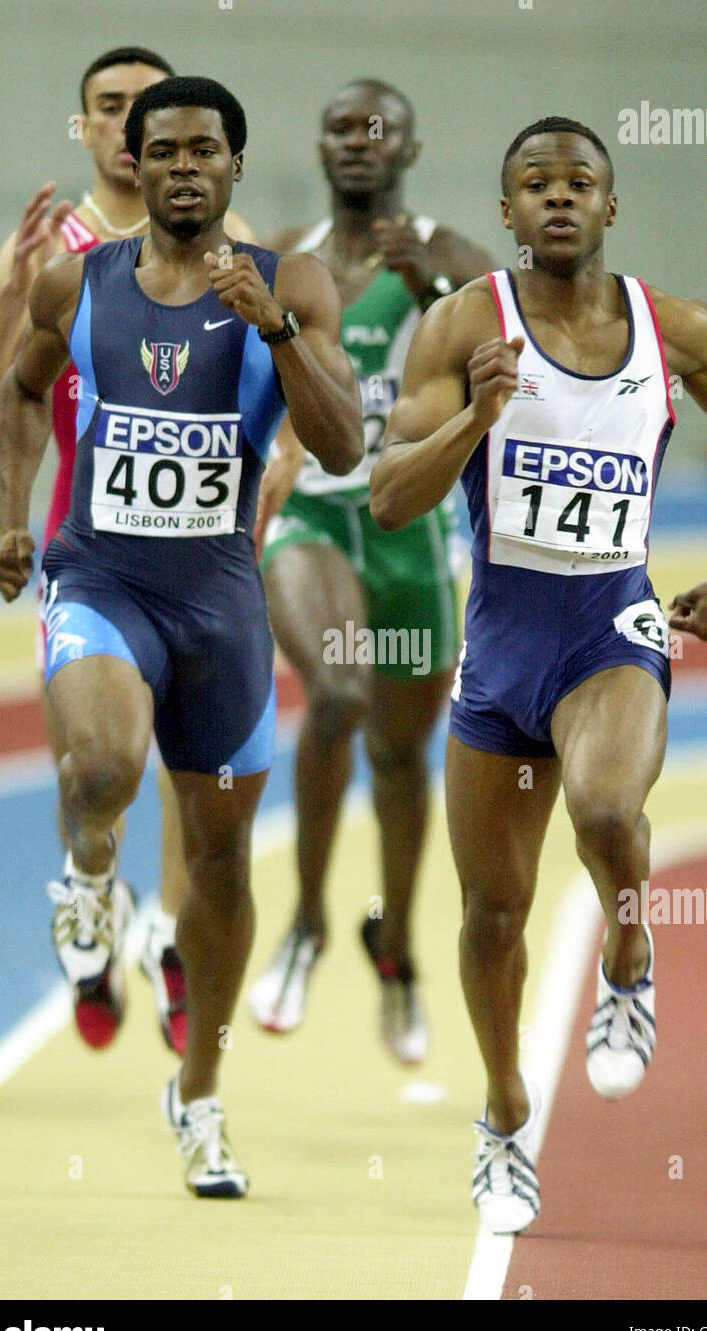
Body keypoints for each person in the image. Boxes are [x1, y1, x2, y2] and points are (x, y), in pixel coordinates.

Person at [370, 116, 707, 1231]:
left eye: (577, 182)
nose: (556, 198)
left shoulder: (673, 329)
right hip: (498, 650)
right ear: (504, 212)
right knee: (492, 913)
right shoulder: (461, 328)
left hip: (611, 626)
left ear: (608, 204)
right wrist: (476, 422)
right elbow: (390, 496)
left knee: (601, 804)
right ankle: (502, 1123)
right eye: (533, 184)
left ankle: (627, 956)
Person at [0, 75, 363, 1197]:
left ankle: (196, 1095)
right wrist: (13, 516)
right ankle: (89, 873)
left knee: (217, 867)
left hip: (220, 610)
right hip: (103, 578)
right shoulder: (77, 280)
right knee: (99, 766)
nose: (185, 165)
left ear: (236, 168)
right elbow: (16, 393)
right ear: (136, 167)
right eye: (165, 150)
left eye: (206, 149)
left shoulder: (289, 281)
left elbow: (340, 446)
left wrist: (281, 333)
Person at [0, 46, 253, 1052]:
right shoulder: (53, 251)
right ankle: (90, 902)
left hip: (204, 554)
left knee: (184, 764)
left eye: (150, 111)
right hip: (88, 547)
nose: (133, 131)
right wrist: (6, 296)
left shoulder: (229, 244)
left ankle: (167, 940)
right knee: (98, 765)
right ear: (86, 130)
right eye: (112, 110)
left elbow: (283, 398)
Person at [232, 78, 494, 1063]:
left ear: (409, 150)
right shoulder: (285, 255)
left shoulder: (452, 259)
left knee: (395, 757)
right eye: (339, 126)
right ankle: (303, 920)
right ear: (319, 141)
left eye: (376, 128)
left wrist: (431, 290)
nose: (355, 142)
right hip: (309, 517)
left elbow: (509, 381)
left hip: (410, 533)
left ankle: (396, 949)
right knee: (335, 694)